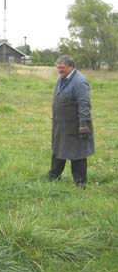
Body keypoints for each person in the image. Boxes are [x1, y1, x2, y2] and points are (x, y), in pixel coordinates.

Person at [48, 55, 95, 187]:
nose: (59, 70)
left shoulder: (80, 82)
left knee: (78, 153)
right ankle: (53, 177)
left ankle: (80, 183)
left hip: (75, 125)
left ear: (70, 66)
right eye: (58, 67)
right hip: (61, 125)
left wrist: (84, 125)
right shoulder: (61, 79)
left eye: (62, 68)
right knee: (58, 150)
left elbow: (84, 104)